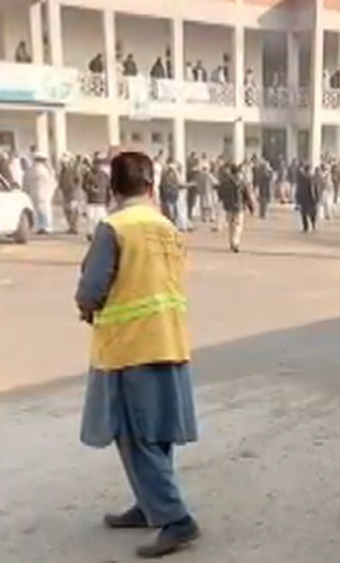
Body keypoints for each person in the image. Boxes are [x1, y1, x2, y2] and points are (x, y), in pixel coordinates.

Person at [76, 151, 198, 559]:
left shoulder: (114, 227)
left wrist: (86, 307)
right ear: (151, 186)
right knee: (158, 433)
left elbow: (91, 289)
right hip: (171, 341)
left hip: (131, 348)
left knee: (134, 435)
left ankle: (176, 519)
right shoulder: (168, 227)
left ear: (114, 189)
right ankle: (150, 505)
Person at [217, 163, 254, 253]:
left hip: (228, 206)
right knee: (238, 225)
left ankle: (232, 242)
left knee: (231, 225)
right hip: (239, 206)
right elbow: (247, 195)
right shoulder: (242, 182)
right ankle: (235, 242)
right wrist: (251, 207)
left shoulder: (225, 182)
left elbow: (220, 192)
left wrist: (223, 199)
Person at [23, 151, 57, 234]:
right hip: (45, 194)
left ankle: (39, 226)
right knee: (45, 210)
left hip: (33, 194)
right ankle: (46, 227)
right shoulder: (47, 171)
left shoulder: (29, 171)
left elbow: (25, 183)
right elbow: (53, 183)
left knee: (37, 211)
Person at [83, 154, 111, 241]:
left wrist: (108, 201)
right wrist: (91, 189)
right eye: (96, 164)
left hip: (101, 201)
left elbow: (108, 188)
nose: (98, 166)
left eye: (99, 164)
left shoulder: (104, 176)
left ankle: (101, 234)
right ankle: (90, 234)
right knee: (91, 219)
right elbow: (84, 186)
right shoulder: (89, 174)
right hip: (91, 201)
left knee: (101, 219)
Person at [59, 153, 82, 234]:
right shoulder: (62, 172)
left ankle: (74, 227)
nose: (63, 164)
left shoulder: (73, 170)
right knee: (67, 211)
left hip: (73, 194)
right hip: (66, 194)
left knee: (73, 211)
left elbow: (79, 181)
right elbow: (60, 183)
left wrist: (75, 190)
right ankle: (71, 227)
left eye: (64, 163)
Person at [296, 164, 318, 232]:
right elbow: (313, 188)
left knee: (304, 213)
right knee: (312, 213)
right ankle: (313, 225)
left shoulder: (301, 178)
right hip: (310, 198)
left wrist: (298, 198)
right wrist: (315, 197)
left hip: (304, 198)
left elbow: (299, 188)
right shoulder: (311, 178)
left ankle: (306, 227)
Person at [159, 161, 181, 225]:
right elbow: (163, 187)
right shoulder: (166, 177)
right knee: (170, 211)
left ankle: (173, 222)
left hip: (173, 196)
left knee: (173, 211)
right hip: (169, 196)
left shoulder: (173, 177)